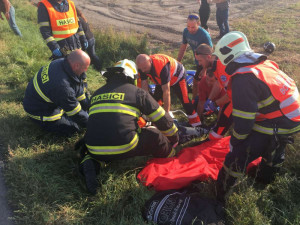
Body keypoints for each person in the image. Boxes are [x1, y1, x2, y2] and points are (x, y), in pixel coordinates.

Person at [213, 31, 300, 201]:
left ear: (227, 56)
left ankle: (222, 194)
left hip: (282, 120)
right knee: (275, 144)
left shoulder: (243, 78)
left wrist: (235, 142)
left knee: (239, 153)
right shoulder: (264, 64)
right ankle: (265, 177)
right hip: (293, 117)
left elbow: (244, 122)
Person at [78, 59, 179, 194]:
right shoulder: (138, 93)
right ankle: (171, 158)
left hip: (93, 146)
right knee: (156, 136)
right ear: (131, 77)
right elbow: (162, 119)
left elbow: (99, 120)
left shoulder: (96, 93)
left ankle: (92, 161)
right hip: (124, 144)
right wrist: (174, 137)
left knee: (97, 153)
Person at [23, 49, 90, 136]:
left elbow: (77, 86)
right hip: (39, 110)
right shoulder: (62, 86)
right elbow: (76, 113)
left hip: (40, 98)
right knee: (74, 129)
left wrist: (88, 106)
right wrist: (93, 124)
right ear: (77, 65)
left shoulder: (62, 62)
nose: (85, 72)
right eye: (85, 68)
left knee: (81, 113)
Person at [136, 53, 201, 127]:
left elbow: (166, 92)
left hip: (177, 76)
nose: (143, 71)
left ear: (150, 61)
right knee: (154, 100)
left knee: (185, 100)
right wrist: (146, 104)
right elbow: (144, 86)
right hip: (160, 80)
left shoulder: (161, 66)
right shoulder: (142, 66)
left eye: (145, 68)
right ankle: (156, 121)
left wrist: (166, 114)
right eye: (141, 69)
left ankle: (196, 124)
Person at [194, 43, 232, 140]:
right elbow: (218, 84)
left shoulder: (221, 66)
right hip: (234, 95)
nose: (199, 64)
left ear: (208, 57)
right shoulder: (215, 67)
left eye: (200, 61)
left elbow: (231, 95)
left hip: (240, 97)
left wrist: (215, 104)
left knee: (218, 134)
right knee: (216, 133)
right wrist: (210, 99)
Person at [177, 14, 212, 99]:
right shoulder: (186, 32)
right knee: (197, 82)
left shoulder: (204, 35)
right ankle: (194, 101)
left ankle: (204, 101)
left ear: (198, 24)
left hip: (206, 63)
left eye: (193, 27)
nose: (190, 29)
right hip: (198, 61)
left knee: (201, 83)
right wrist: (178, 62)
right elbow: (183, 47)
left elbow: (210, 54)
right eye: (188, 26)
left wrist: (205, 69)